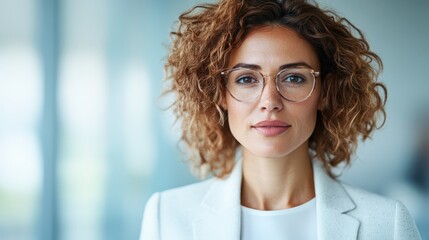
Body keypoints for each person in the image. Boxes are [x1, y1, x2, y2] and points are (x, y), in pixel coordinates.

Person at [140, 0, 422, 239]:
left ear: (326, 92)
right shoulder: (167, 216)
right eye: (246, 79)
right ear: (220, 95)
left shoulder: (387, 224)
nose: (270, 102)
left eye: (294, 78)